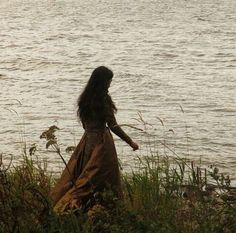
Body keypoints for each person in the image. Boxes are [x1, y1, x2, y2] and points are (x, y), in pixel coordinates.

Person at [50, 66, 139, 212]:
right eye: (109, 81)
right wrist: (130, 142)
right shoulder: (103, 99)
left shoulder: (84, 99)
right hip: (102, 145)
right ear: (103, 82)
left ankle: (80, 209)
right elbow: (113, 125)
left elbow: (85, 125)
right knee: (102, 177)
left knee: (83, 175)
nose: (110, 84)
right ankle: (103, 209)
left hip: (86, 142)